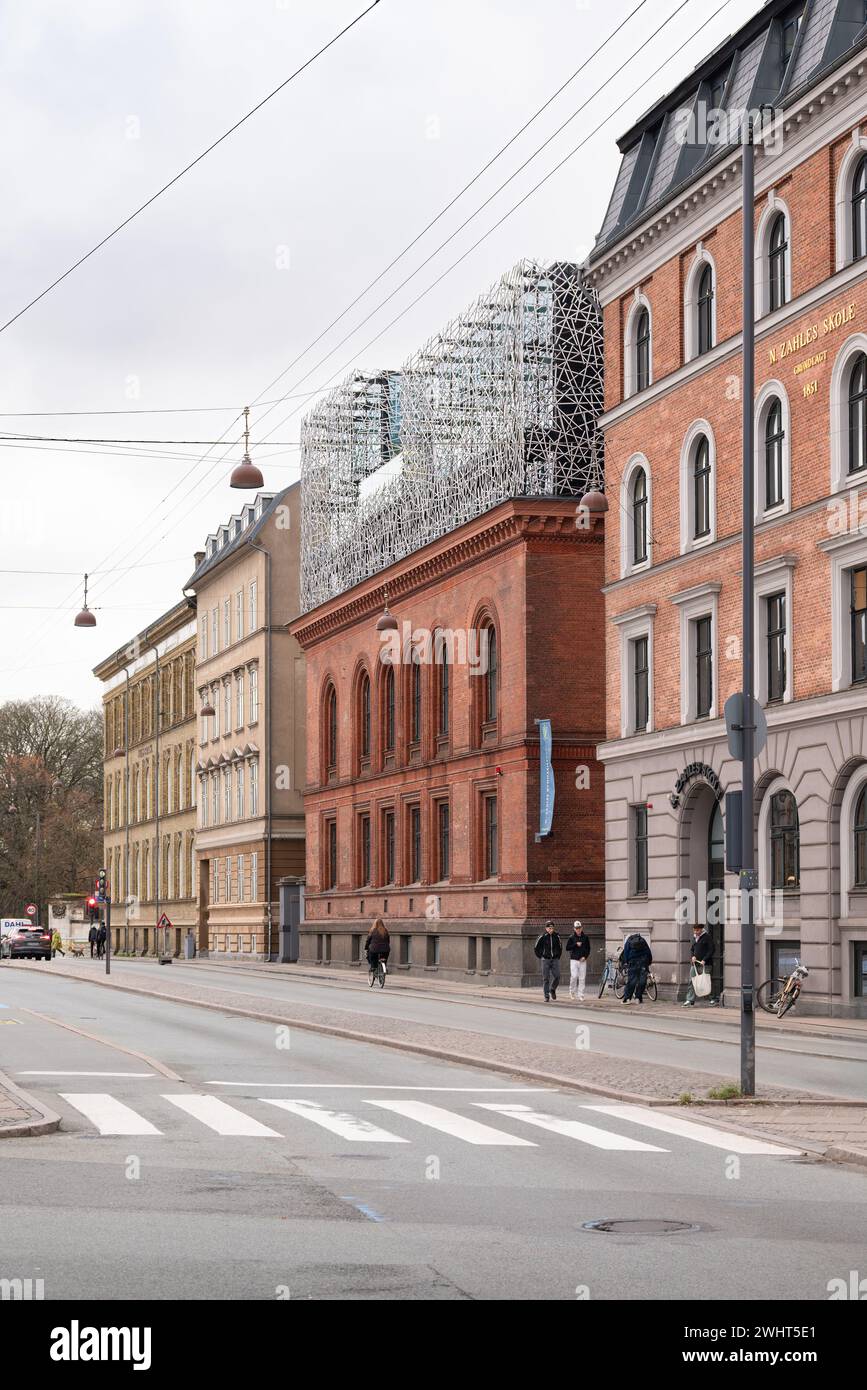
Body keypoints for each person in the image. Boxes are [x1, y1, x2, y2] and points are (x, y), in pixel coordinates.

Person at [683, 924, 714, 1006]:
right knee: (691, 981)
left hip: (705, 964)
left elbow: (711, 950)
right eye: (694, 930)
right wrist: (692, 956)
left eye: (697, 930)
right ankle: (690, 1000)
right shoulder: (694, 938)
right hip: (695, 964)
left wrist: (704, 959)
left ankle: (712, 999)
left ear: (701, 929)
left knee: (706, 981)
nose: (695, 932)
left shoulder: (707, 937)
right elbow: (692, 949)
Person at [533, 920, 562, 1002]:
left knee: (557, 976)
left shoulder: (557, 936)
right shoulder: (542, 936)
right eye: (549, 928)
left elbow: (560, 946)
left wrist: (558, 956)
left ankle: (552, 989)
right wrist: (541, 956)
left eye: (552, 928)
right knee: (546, 978)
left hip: (555, 959)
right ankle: (546, 996)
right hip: (545, 959)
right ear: (546, 928)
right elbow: (536, 948)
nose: (551, 930)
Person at [621, 932, 652, 1004]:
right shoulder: (643, 940)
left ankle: (627, 999)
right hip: (643, 963)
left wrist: (626, 962)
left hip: (633, 963)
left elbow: (625, 953)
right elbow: (648, 952)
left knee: (631, 981)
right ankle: (638, 998)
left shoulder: (628, 941)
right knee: (642, 981)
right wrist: (649, 962)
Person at [565, 920, 590, 1001]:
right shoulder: (571, 937)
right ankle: (572, 991)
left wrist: (585, 957)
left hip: (582, 960)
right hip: (574, 960)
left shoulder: (585, 937)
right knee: (574, 976)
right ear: (574, 929)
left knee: (582, 978)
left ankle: (581, 994)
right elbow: (567, 948)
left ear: (581, 928)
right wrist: (575, 945)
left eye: (579, 928)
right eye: (576, 928)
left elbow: (588, 948)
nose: (578, 930)